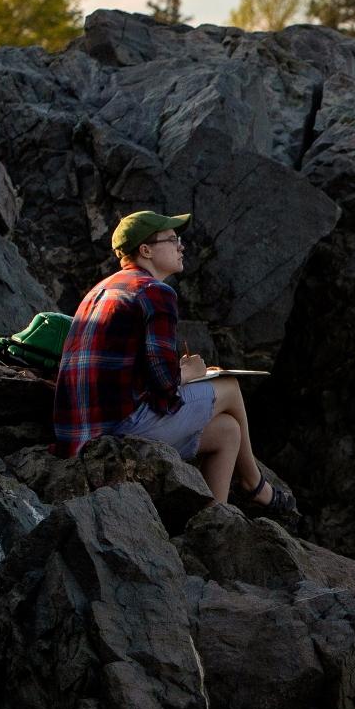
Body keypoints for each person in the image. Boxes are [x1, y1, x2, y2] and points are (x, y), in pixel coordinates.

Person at [51, 210, 294, 514]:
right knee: (228, 386)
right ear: (146, 250)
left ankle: (216, 519)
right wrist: (190, 373)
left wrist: (184, 376)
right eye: (172, 240)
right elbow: (165, 383)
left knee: (227, 430)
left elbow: (135, 371)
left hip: (77, 437)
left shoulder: (99, 291)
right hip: (116, 434)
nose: (181, 247)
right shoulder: (154, 291)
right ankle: (257, 487)